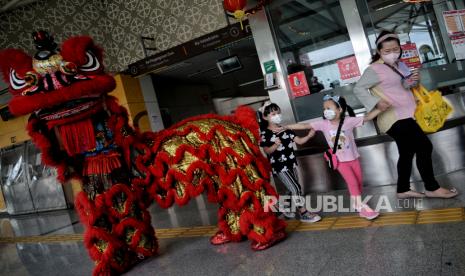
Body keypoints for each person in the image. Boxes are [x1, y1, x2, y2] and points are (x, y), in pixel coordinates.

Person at [353, 30, 457, 199]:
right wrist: (375, 102)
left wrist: (414, 80)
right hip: (393, 117)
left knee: (407, 152)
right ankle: (432, 187)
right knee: (424, 147)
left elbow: (405, 85)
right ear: (379, 51)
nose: (392, 53)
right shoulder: (374, 69)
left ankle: (402, 189)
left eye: (395, 49)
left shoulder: (401, 64)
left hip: (409, 114)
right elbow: (358, 88)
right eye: (387, 51)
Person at [285, 95, 381, 220]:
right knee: (352, 182)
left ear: (339, 109)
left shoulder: (348, 121)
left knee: (358, 182)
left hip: (354, 158)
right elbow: (305, 126)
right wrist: (287, 127)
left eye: (329, 107)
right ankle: (360, 207)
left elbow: (367, 118)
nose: (326, 111)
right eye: (324, 108)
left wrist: (380, 109)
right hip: (340, 161)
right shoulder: (323, 124)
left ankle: (356, 202)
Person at [259, 103, 321, 223]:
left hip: (291, 163)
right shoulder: (265, 134)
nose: (277, 116)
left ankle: (286, 208)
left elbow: (299, 141)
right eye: (273, 114)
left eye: (278, 113)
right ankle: (303, 213)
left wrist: (309, 136)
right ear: (266, 117)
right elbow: (267, 151)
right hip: (280, 166)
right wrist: (275, 144)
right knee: (296, 188)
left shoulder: (285, 129)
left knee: (290, 189)